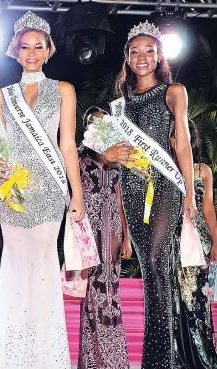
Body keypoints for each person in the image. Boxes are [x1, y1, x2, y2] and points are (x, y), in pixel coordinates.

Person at [0, 11, 84, 369]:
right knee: (15, 266)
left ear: (49, 50)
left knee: (43, 267)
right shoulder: (1, 96)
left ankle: (44, 356)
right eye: (25, 47)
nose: (32, 52)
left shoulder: (64, 89)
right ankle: (10, 355)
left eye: (39, 46)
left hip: (51, 190)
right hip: (13, 193)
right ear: (15, 51)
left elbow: (67, 144)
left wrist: (78, 193)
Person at [115, 21, 196, 369]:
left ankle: (165, 358)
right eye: (136, 52)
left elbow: (183, 147)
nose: (142, 57)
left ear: (159, 55)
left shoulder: (173, 91)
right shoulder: (121, 106)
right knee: (150, 270)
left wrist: (190, 193)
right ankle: (159, 355)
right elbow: (116, 158)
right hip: (134, 189)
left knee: (157, 261)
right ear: (128, 60)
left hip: (164, 187)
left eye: (149, 50)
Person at [77, 107, 132, 369]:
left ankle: (114, 359)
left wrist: (128, 237)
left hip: (112, 231)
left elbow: (121, 200)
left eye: (102, 122)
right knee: (92, 293)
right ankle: (92, 358)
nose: (97, 125)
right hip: (89, 232)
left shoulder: (116, 158)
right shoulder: (79, 158)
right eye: (92, 122)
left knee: (111, 292)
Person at [170, 121, 217, 369]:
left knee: (197, 300)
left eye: (181, 137)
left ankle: (201, 355)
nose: (176, 141)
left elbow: (208, 208)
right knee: (175, 302)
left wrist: (216, 241)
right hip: (172, 245)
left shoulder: (203, 170)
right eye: (173, 137)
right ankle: (180, 357)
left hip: (198, 245)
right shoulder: (165, 171)